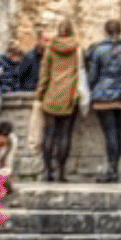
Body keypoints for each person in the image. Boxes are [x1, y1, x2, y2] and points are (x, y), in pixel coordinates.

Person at [83, 19, 121, 182]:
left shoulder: (98, 51)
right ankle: (114, 167)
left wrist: (89, 89)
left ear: (106, 31)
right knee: (118, 131)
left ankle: (111, 170)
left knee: (110, 132)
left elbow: (92, 77)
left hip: (103, 97)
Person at [35, 20, 83, 183]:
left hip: (51, 96)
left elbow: (44, 74)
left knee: (49, 134)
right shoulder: (77, 49)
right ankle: (61, 172)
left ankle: (48, 171)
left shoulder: (50, 49)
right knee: (64, 134)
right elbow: (80, 72)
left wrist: (40, 94)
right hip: (69, 97)